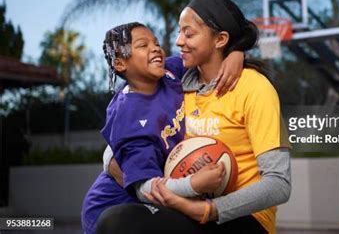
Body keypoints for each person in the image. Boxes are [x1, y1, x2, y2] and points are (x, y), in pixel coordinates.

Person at [98, 0, 291, 234]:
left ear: (220, 39)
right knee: (116, 220)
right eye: (179, 32)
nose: (178, 41)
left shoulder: (254, 88)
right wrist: (112, 161)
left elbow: (279, 184)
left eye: (188, 34)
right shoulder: (174, 83)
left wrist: (209, 210)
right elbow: (129, 130)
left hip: (241, 217)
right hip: (187, 205)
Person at [81, 22, 244, 234]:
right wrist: (193, 184)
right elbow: (145, 189)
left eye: (156, 42)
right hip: (116, 208)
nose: (155, 48)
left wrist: (235, 54)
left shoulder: (169, 72)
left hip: (158, 203)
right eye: (143, 45)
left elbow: (205, 55)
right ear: (120, 64)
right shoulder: (128, 114)